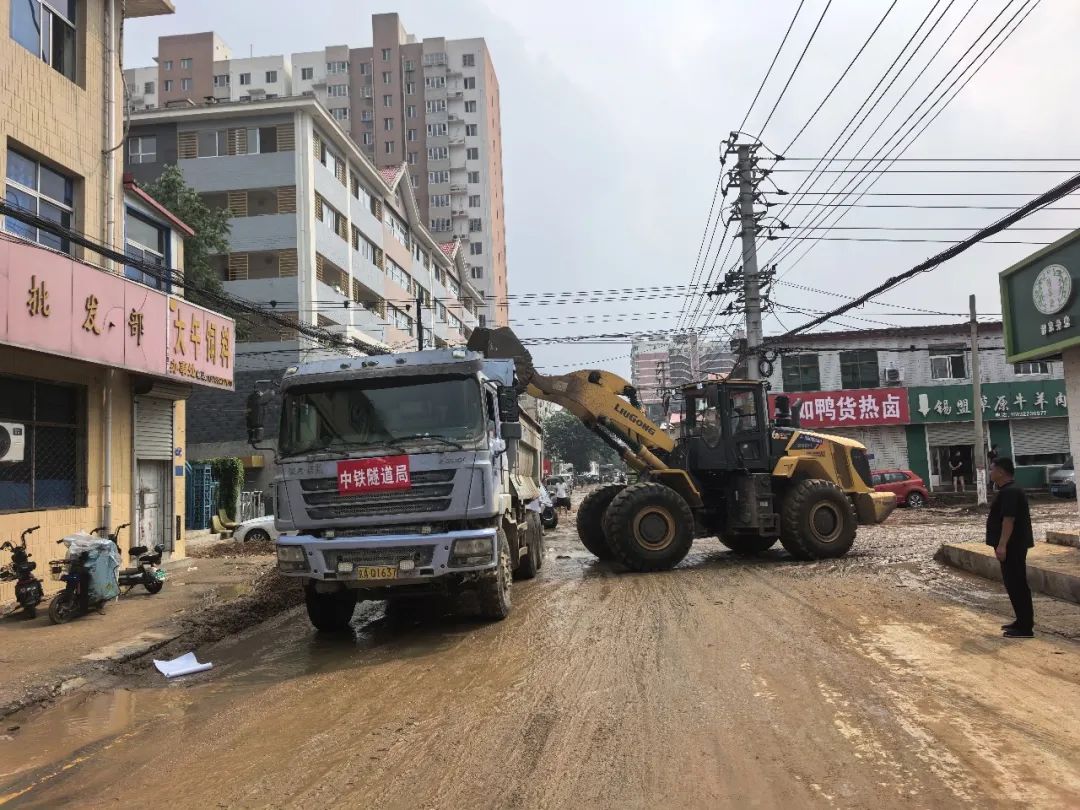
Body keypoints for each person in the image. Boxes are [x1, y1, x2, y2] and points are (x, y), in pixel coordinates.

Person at [986, 457, 1034, 638]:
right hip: (1012, 545)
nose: (990, 472)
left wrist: (1002, 545)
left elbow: (1009, 519)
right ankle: (1021, 621)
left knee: (1017, 584)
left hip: (1013, 545)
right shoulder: (1007, 490)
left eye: (992, 469)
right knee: (1013, 584)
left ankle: (1025, 627)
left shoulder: (1010, 492)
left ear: (1001, 472)